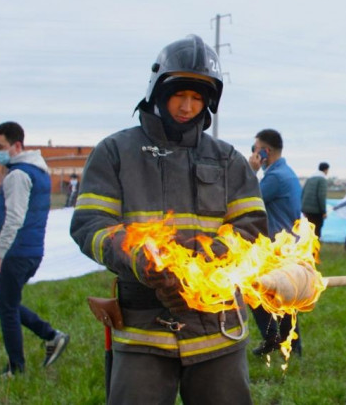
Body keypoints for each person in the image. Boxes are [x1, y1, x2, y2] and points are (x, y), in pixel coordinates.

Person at [70, 36, 267, 404]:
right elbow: (90, 225)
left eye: (197, 98)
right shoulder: (115, 152)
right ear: (158, 90)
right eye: (179, 95)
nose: (187, 107)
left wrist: (203, 258)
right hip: (143, 328)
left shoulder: (228, 159)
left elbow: (252, 229)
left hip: (217, 327)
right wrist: (137, 258)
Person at [0, 122, 69, 376]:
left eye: (1, 146)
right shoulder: (38, 171)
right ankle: (51, 335)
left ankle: (16, 367)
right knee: (6, 303)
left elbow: (14, 219)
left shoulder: (18, 176)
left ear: (17, 146)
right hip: (32, 250)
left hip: (16, 252)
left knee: (7, 307)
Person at [247, 128, 304, 357]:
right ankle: (285, 344)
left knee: (260, 295)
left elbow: (249, 199)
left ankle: (280, 343)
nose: (252, 153)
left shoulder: (275, 177)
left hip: (276, 248)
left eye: (254, 149)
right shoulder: (285, 172)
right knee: (280, 298)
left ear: (265, 151)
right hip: (284, 245)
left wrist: (251, 171)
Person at [300, 162, 330, 239]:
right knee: (316, 232)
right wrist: (324, 211)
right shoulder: (322, 180)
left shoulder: (310, 179)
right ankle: (314, 250)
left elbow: (303, 192)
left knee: (308, 231)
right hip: (316, 211)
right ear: (326, 170)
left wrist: (303, 208)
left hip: (306, 210)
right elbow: (321, 196)